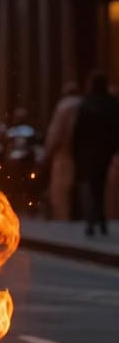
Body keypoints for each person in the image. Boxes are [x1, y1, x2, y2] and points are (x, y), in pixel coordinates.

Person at [71, 70, 119, 237]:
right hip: (105, 151)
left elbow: (78, 131)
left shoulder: (87, 104)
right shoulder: (112, 103)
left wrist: (76, 153)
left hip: (89, 153)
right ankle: (101, 220)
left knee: (92, 186)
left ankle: (92, 221)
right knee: (102, 184)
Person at [42, 81, 82, 220]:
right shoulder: (84, 104)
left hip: (65, 154)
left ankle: (63, 220)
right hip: (85, 155)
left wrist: (46, 155)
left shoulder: (64, 106)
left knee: (61, 191)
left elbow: (55, 133)